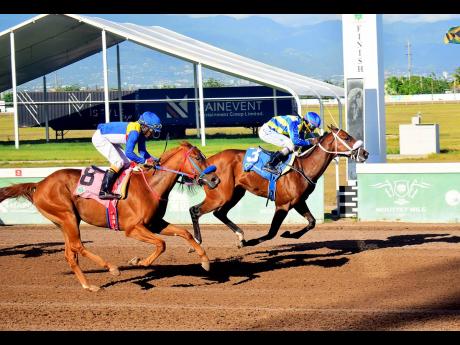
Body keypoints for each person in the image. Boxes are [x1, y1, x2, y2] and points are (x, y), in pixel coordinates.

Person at [91, 111, 162, 199]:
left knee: (127, 162)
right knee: (118, 162)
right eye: (152, 130)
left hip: (108, 139)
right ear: (145, 126)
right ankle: (104, 191)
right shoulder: (134, 132)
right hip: (100, 137)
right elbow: (129, 153)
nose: (152, 134)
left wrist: (155, 159)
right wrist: (145, 161)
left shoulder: (141, 133)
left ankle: (117, 185)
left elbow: (142, 151)